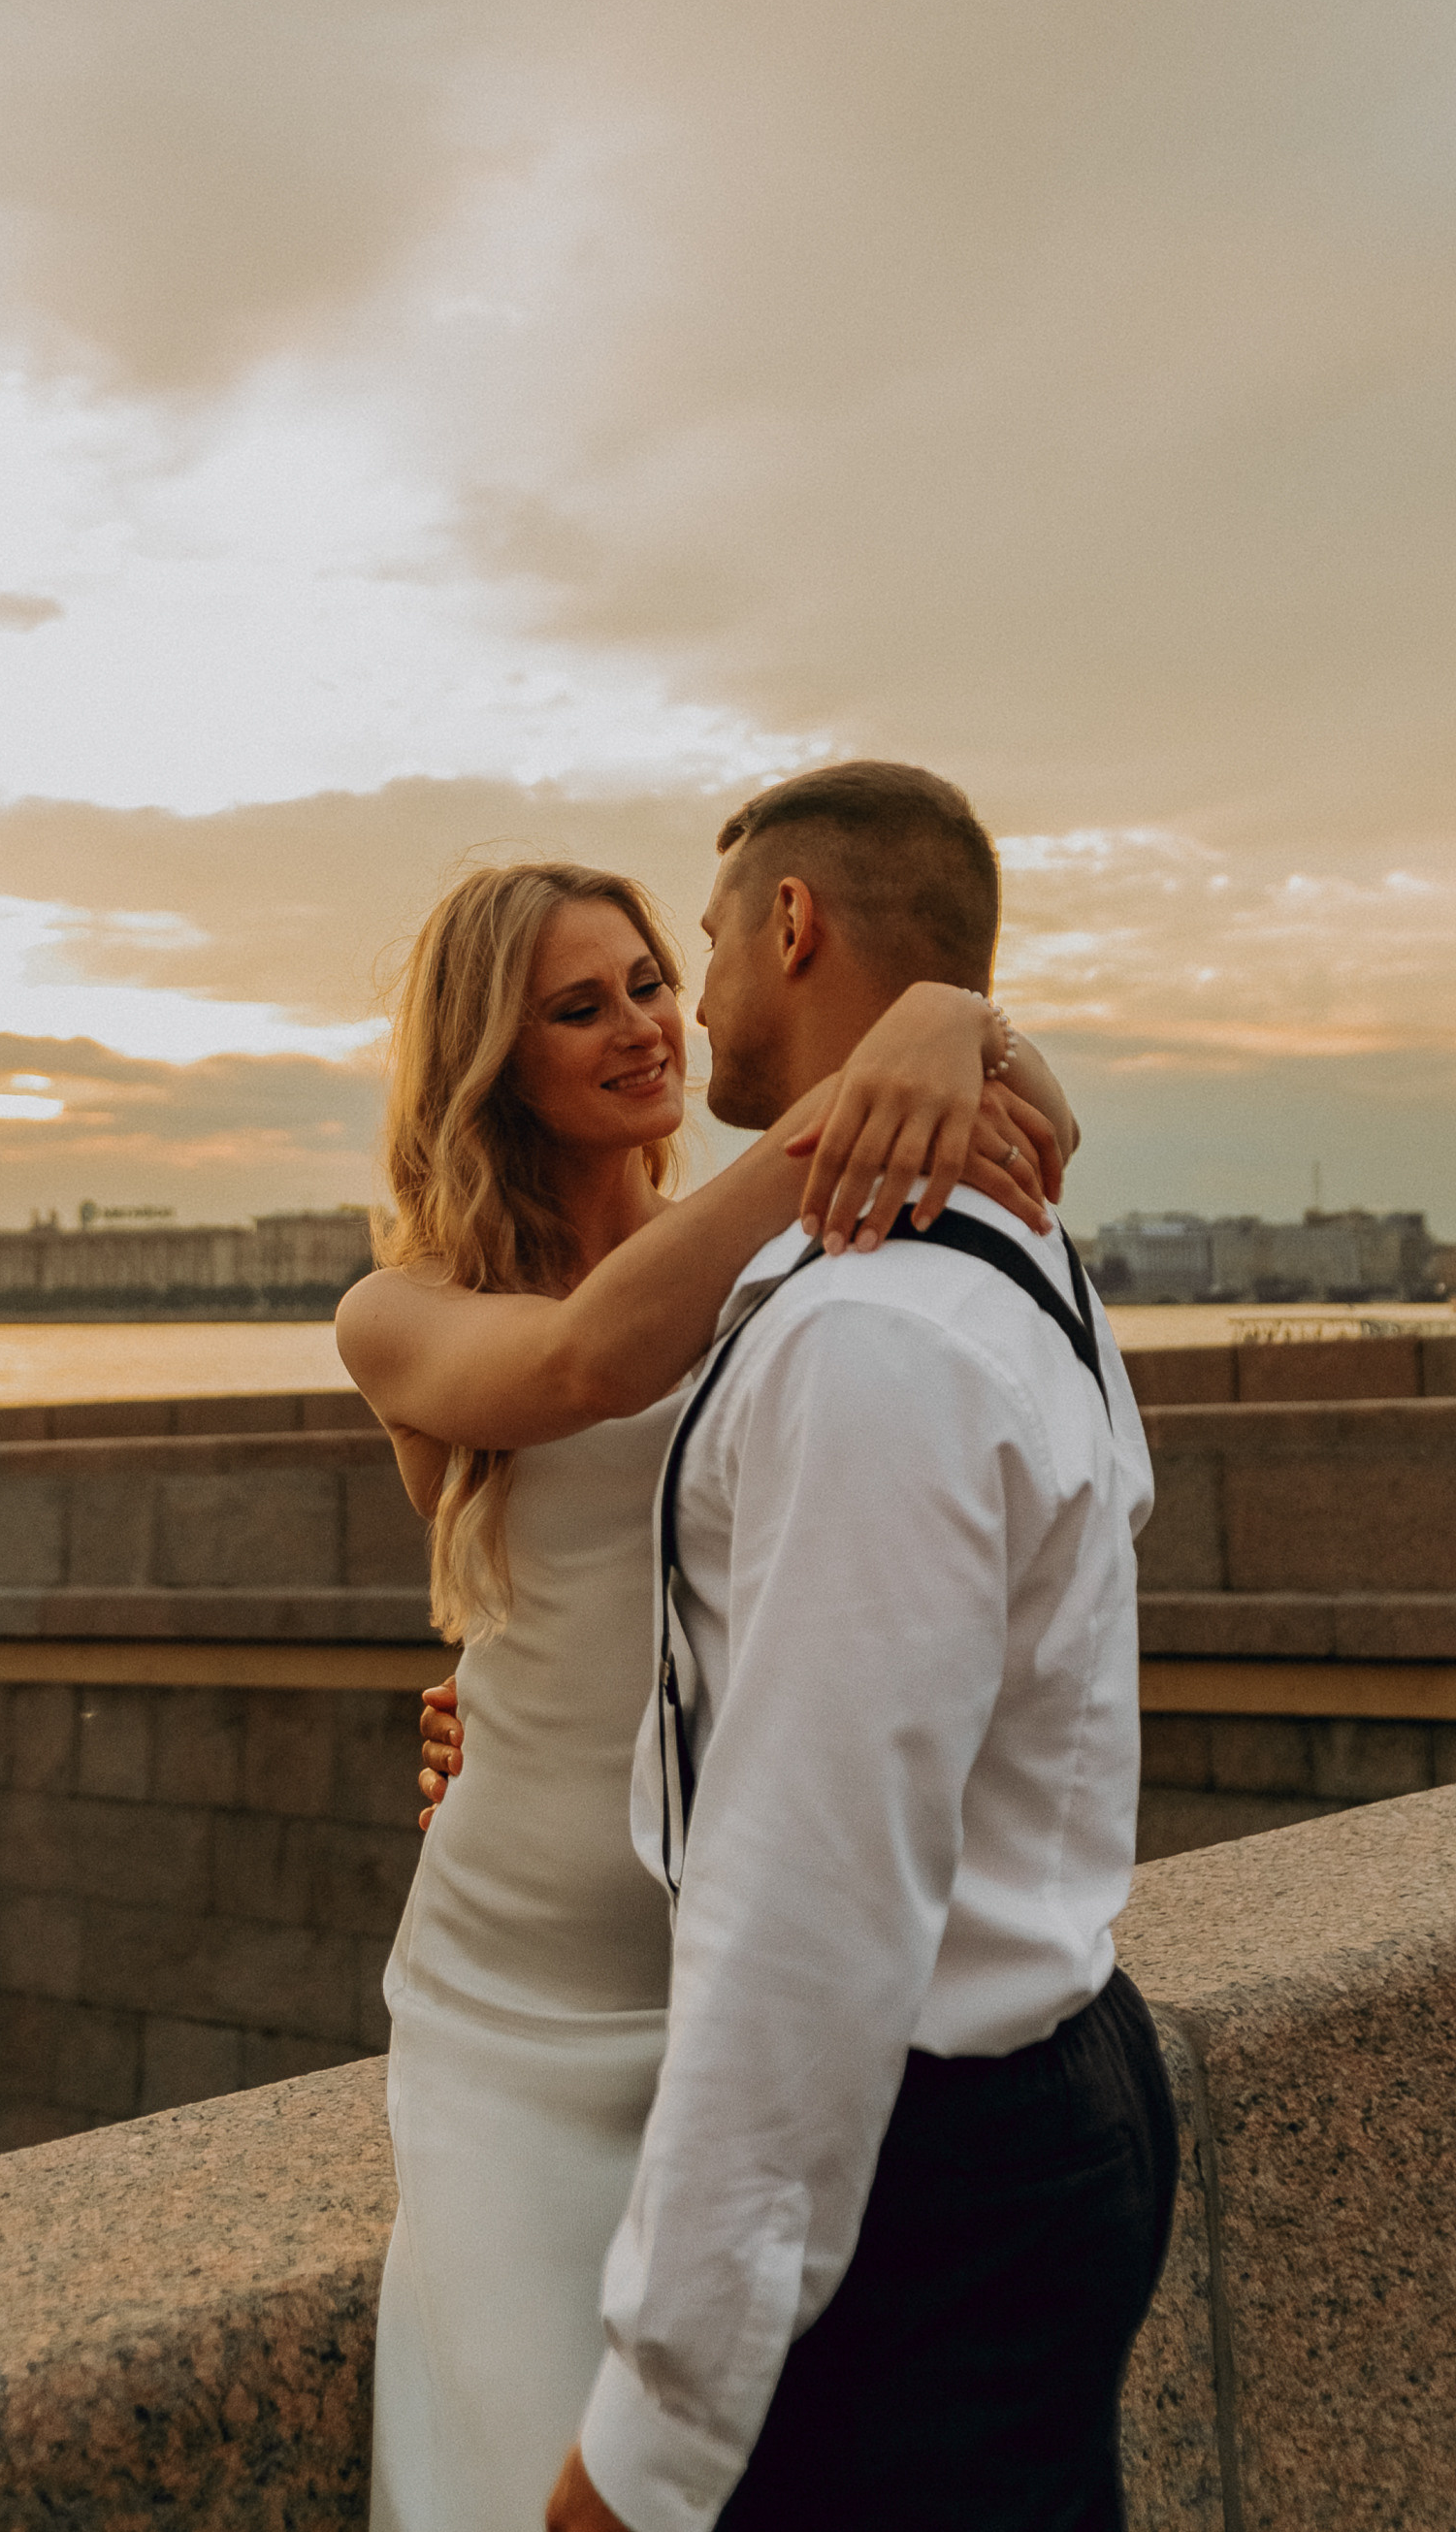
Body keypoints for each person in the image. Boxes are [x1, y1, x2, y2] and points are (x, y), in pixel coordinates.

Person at [336, 794, 1080, 2532]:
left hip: (741, 1991)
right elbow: (592, 1359)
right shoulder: (403, 1310)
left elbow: (1041, 1132)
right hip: (515, 2006)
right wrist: (855, 1091)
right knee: (527, 2475)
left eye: (652, 979)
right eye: (577, 1005)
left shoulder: (800, 1265)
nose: (645, 1025)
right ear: (487, 1059)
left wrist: (958, 1021)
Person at [536, 763, 1174, 2532]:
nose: (698, 989)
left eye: (714, 935)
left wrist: (648, 2445)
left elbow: (808, 1909)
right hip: (1051, 2094)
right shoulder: (1015, 1248)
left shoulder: (868, 1341)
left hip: (928, 2179)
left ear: (793, 924)